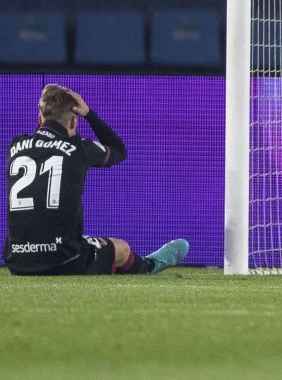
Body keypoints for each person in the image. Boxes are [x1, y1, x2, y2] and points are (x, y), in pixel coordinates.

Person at [4, 84, 189, 276]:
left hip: (18, 261)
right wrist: (89, 114)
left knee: (71, 238)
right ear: (74, 121)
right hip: (64, 259)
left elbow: (43, 140)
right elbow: (118, 150)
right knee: (122, 249)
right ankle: (147, 266)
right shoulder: (79, 148)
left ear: (40, 118)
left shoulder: (15, 146)